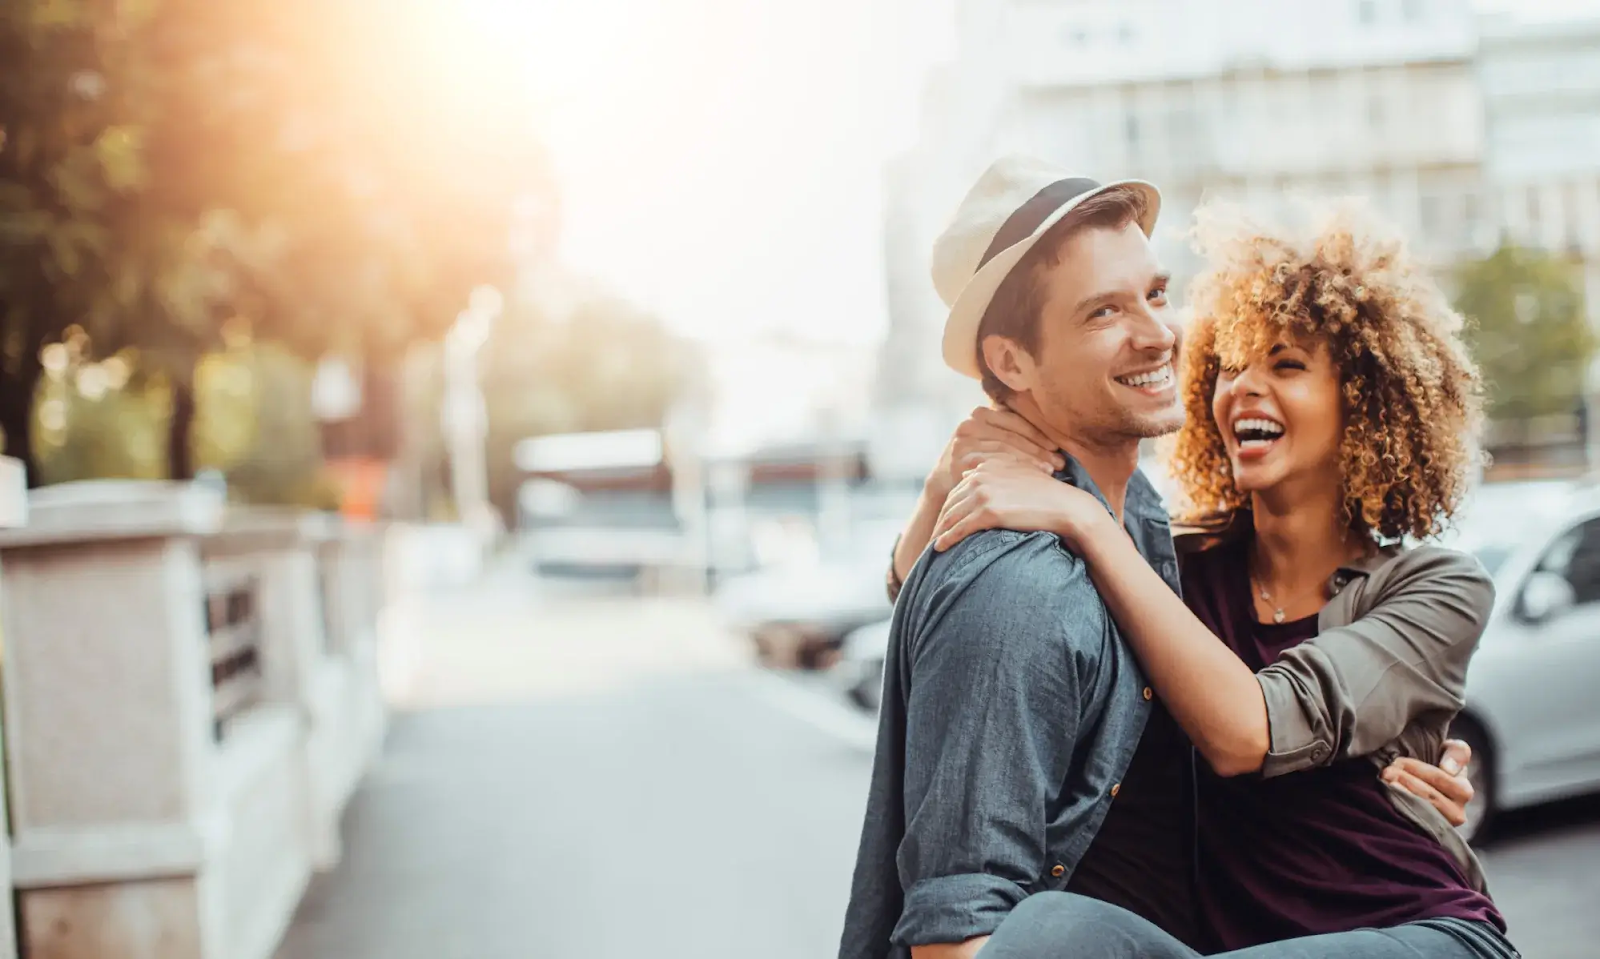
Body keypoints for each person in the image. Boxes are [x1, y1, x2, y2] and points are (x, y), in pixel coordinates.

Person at [837, 157, 1475, 959]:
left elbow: (1250, 730)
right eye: (1105, 310)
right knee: (1053, 933)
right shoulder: (1156, 558)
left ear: (1371, 399)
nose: (1161, 335)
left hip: (1410, 927)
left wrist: (1423, 765)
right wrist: (943, 493)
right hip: (1233, 941)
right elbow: (950, 611)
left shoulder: (1133, 541)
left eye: (1158, 295)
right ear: (1011, 362)